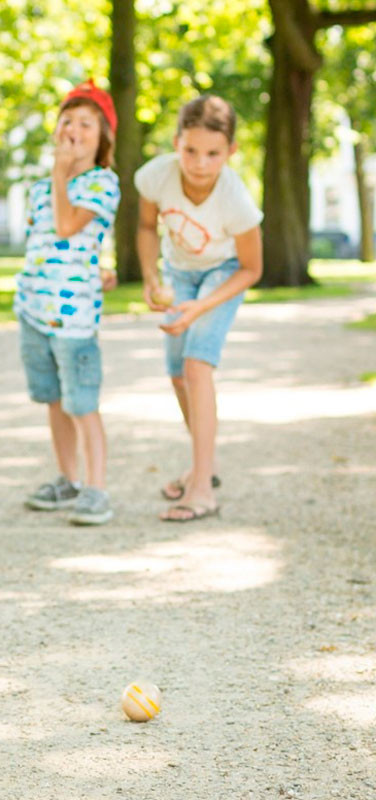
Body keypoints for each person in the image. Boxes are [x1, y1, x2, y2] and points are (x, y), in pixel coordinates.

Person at [135, 95, 263, 522]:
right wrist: (152, 278)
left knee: (196, 366)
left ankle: (202, 488)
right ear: (176, 142)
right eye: (190, 150)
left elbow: (251, 268)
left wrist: (200, 308)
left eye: (213, 153)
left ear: (231, 151)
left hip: (222, 274)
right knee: (176, 373)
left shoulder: (236, 201)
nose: (200, 163)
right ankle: (204, 462)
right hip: (180, 270)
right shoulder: (156, 177)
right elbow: (146, 226)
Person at [15, 79, 121, 526]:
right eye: (67, 121)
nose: (74, 130)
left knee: (82, 402)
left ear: (102, 142)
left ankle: (96, 488)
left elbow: (65, 226)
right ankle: (67, 478)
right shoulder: (39, 188)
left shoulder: (102, 183)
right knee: (54, 400)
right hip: (34, 312)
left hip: (73, 319)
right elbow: (45, 245)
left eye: (86, 124)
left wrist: (61, 174)